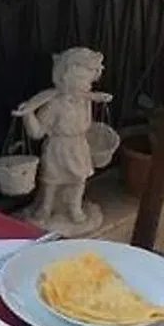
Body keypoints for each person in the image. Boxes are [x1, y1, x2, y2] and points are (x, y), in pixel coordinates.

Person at [12, 47, 111, 226]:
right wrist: (28, 115)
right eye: (83, 80)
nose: (88, 85)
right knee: (51, 180)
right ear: (65, 78)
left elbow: (87, 123)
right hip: (57, 148)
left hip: (79, 146)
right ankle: (45, 207)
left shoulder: (85, 101)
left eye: (90, 80)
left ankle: (74, 206)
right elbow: (37, 133)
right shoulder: (54, 104)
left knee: (79, 179)